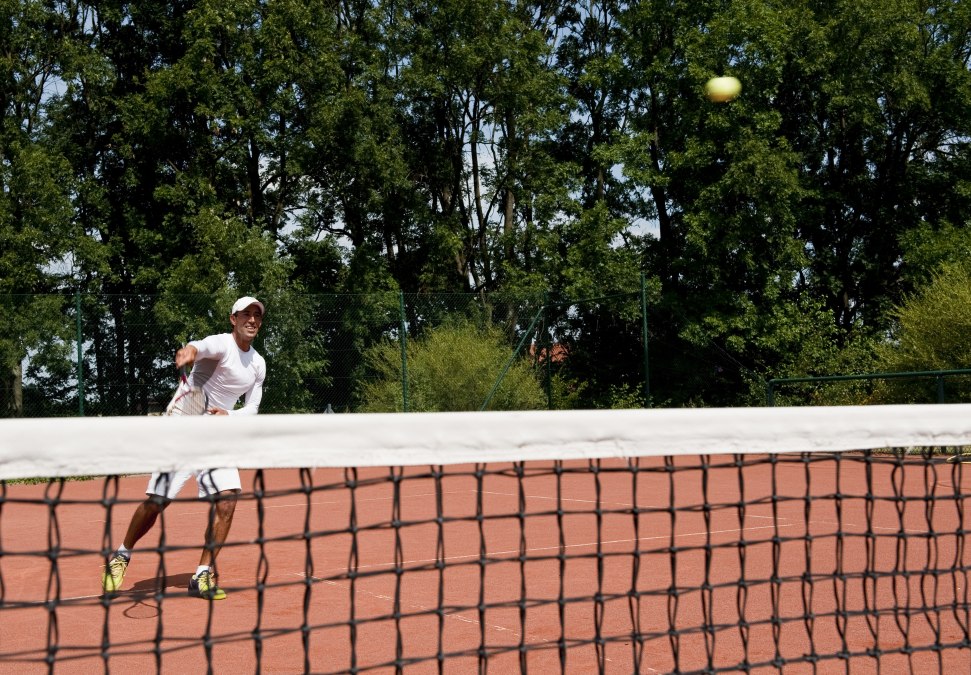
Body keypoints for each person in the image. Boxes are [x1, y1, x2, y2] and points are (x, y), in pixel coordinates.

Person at [101, 296, 267, 600]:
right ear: (234, 319)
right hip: (186, 421)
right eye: (246, 314)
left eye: (257, 315)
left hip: (217, 431)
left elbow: (253, 408)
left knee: (228, 500)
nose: (252, 320)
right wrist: (190, 351)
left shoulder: (258, 363)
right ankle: (121, 555)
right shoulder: (221, 343)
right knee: (157, 502)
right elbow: (200, 346)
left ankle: (202, 574)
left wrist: (228, 414)